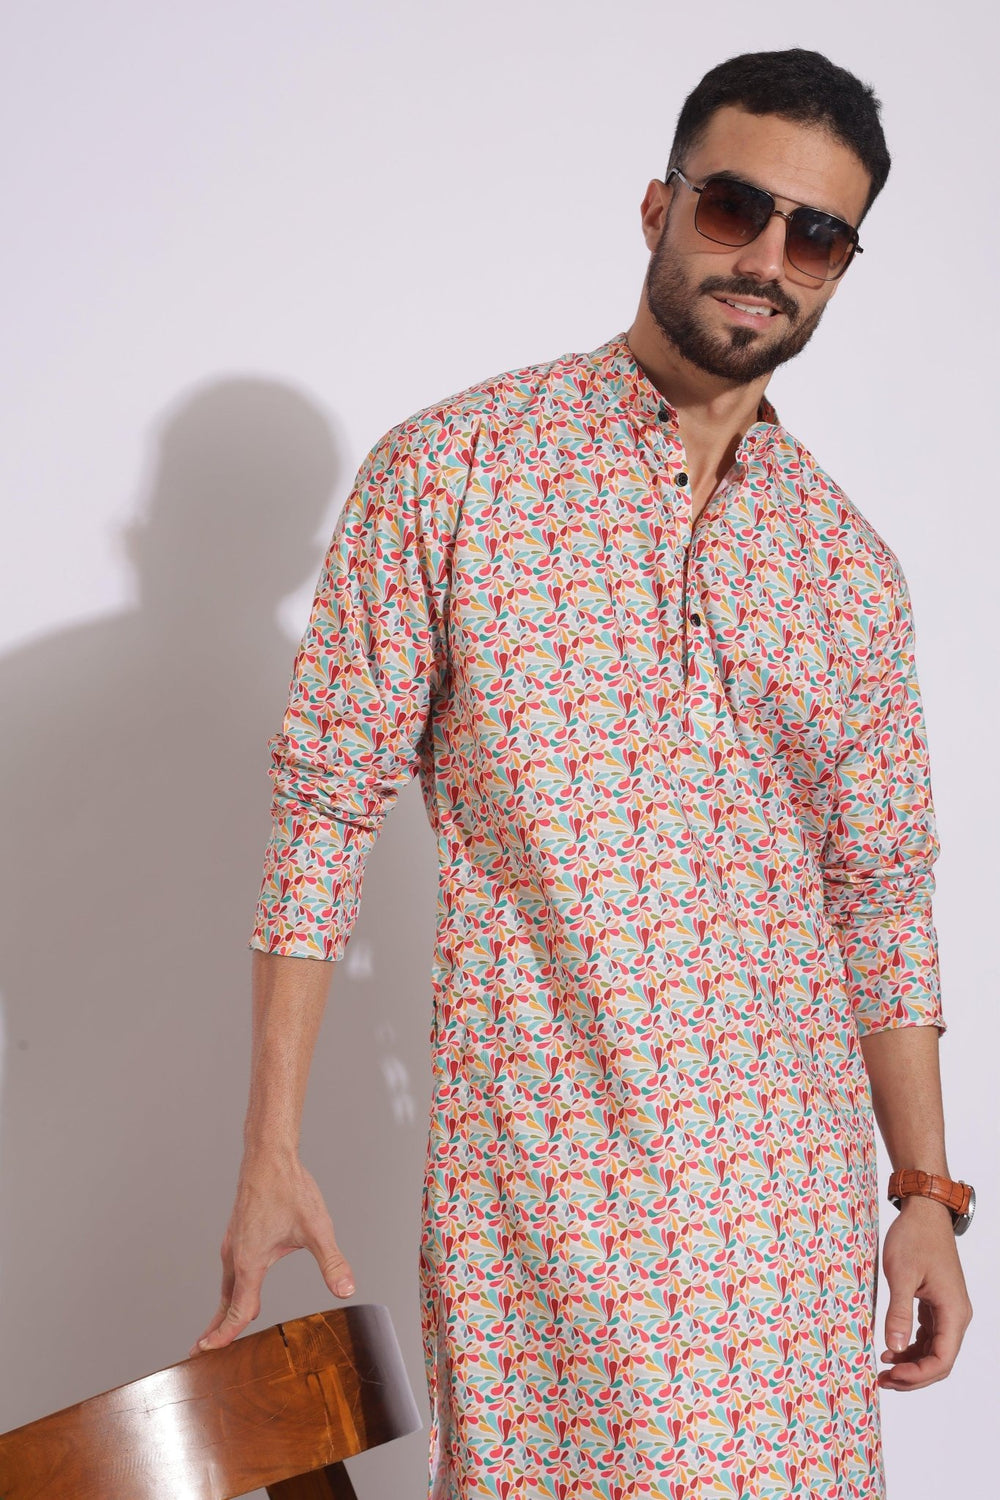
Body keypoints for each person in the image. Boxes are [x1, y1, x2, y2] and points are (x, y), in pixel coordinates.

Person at [191, 47, 974, 1500]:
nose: (767, 259)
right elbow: (322, 814)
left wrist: (923, 1192)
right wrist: (270, 1146)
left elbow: (880, 901)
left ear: (841, 268)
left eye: (816, 235)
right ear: (658, 207)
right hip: (543, 1203)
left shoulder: (848, 568)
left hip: (787, 1231)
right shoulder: (455, 472)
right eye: (734, 207)